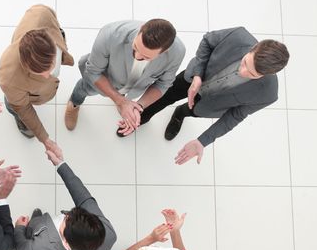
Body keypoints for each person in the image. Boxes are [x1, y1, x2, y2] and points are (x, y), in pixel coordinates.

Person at [119, 27, 290, 165]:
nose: (242, 71)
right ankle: (143, 116)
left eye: (251, 74)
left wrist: (203, 141)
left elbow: (235, 116)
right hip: (193, 78)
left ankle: (179, 114)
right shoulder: (238, 36)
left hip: (209, 104)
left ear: (266, 75)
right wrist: (198, 75)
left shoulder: (267, 94)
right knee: (166, 96)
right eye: (245, 62)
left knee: (189, 110)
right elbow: (207, 40)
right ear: (253, 48)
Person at [64, 19, 185, 134]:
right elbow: (93, 72)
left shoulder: (177, 52)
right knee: (84, 89)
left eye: (146, 57)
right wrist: (121, 101)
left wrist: (138, 107)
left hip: (133, 87)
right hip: (103, 79)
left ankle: (122, 97)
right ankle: (74, 103)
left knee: (123, 98)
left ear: (164, 51)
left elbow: (163, 84)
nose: (137, 56)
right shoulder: (110, 34)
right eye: (136, 47)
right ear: (141, 29)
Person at [13, 147, 116, 250]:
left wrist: (19, 228)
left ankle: (34, 223)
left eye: (66, 220)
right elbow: (82, 196)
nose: (66, 215)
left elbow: (20, 249)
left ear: (66, 241)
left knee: (34, 225)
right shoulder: (109, 233)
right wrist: (60, 163)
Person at [0, 4, 74, 152]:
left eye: (51, 66)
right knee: (14, 106)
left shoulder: (40, 13)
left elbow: (52, 20)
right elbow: (24, 107)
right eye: (41, 72)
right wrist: (44, 139)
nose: (48, 75)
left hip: (38, 88)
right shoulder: (9, 79)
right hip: (20, 96)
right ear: (26, 66)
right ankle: (19, 119)